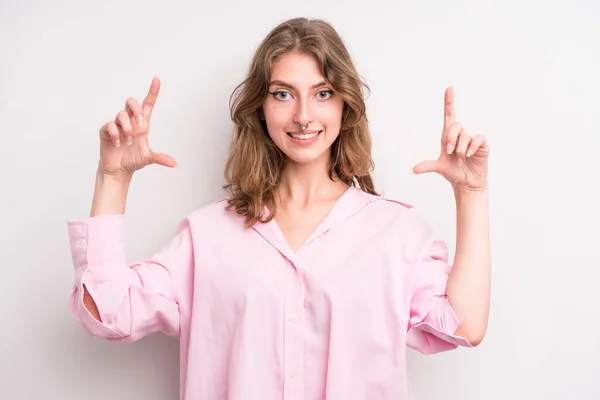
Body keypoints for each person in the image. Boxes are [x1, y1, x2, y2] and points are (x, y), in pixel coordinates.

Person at [67, 17, 491, 400]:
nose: (304, 115)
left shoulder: (397, 233)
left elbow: (465, 324)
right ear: (260, 107)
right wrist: (113, 178)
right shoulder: (207, 235)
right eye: (283, 94)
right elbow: (107, 311)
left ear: (345, 106)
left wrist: (469, 193)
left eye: (322, 93)